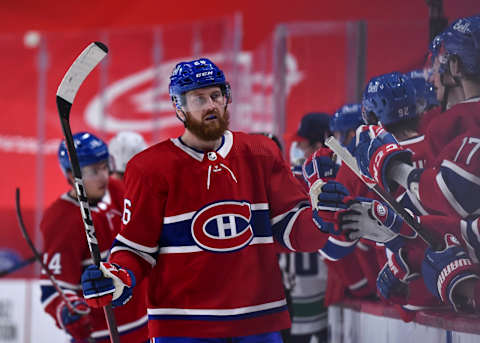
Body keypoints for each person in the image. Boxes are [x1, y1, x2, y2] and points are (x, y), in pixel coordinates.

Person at [80, 58, 344, 341]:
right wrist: (118, 278)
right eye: (198, 99)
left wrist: (321, 218)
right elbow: (136, 249)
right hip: (183, 327)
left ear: (226, 98)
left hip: (257, 320)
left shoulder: (260, 153)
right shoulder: (149, 169)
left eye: (215, 95)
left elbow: (290, 229)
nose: (210, 105)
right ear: (178, 107)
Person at [40, 132, 148, 342]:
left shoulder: (118, 190)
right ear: (72, 176)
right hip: (102, 336)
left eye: (105, 167)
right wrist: (69, 312)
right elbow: (54, 289)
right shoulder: (61, 219)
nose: (103, 176)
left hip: (146, 327)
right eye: (94, 171)